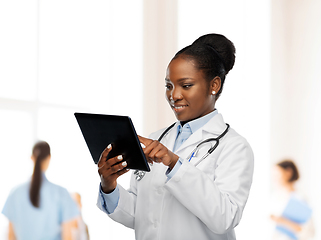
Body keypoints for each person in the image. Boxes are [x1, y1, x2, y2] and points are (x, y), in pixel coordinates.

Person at [96, 33, 254, 240]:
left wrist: (174, 163)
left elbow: (225, 218)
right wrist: (109, 186)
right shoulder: (157, 139)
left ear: (214, 85)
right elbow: (140, 215)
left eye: (186, 85)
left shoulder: (234, 146)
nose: (174, 95)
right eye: (169, 86)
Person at [2, 141, 79, 240]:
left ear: (32, 158)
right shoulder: (61, 193)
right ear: (49, 158)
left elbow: (11, 236)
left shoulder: (15, 193)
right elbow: (68, 237)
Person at [270, 160, 315, 240]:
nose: (274, 178)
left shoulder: (300, 198)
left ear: (288, 173)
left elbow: (310, 232)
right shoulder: (274, 197)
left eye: (277, 174)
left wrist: (283, 221)